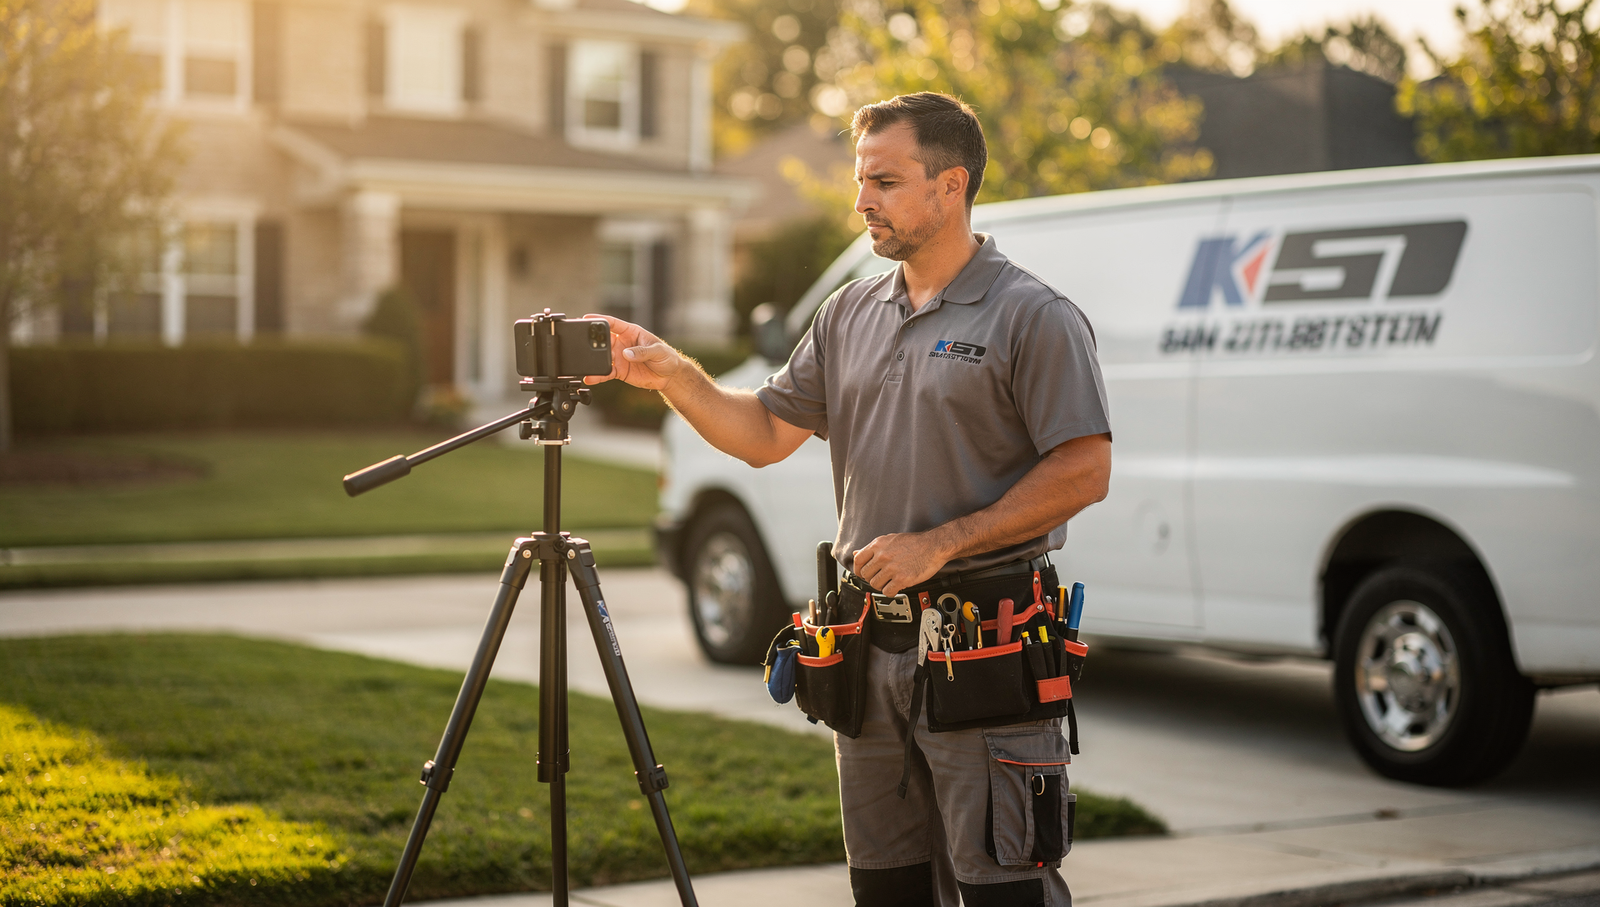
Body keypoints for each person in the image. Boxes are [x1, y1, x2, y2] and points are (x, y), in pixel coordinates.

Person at [587, 92, 1111, 907]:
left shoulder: (1031, 316)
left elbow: (1085, 468)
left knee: (1004, 893)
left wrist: (942, 542)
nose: (861, 199)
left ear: (951, 186)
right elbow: (764, 432)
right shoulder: (849, 312)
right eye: (860, 179)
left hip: (986, 656)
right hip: (868, 656)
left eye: (885, 180)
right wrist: (673, 375)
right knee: (885, 892)